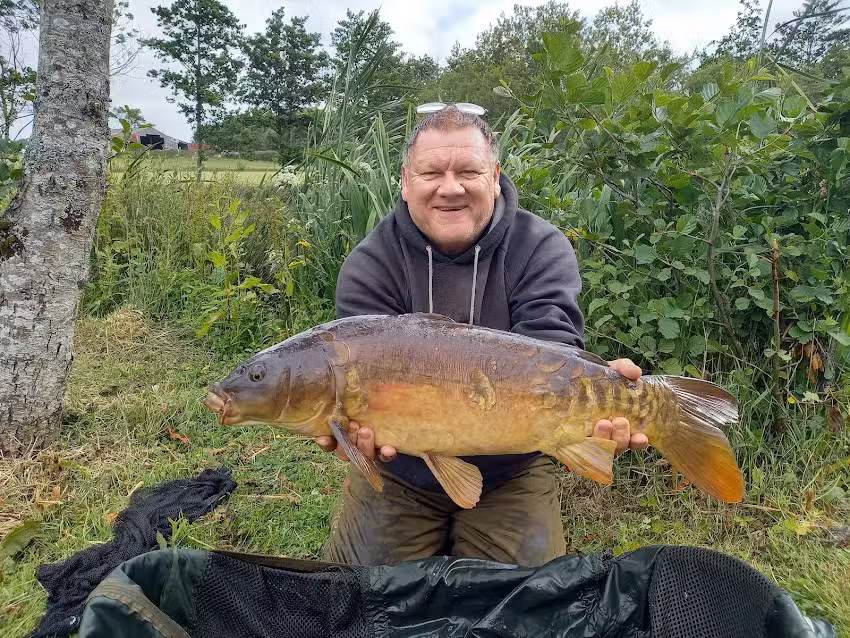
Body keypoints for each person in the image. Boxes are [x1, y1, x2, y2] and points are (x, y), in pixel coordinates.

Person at [315, 104, 647, 568]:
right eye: (432, 172)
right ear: (406, 181)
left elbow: (553, 356)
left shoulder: (540, 246)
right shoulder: (371, 264)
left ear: (494, 176)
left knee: (522, 608)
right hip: (401, 470)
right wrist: (351, 436)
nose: (450, 188)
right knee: (357, 598)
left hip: (514, 465)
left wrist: (605, 397)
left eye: (468, 171)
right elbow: (358, 392)